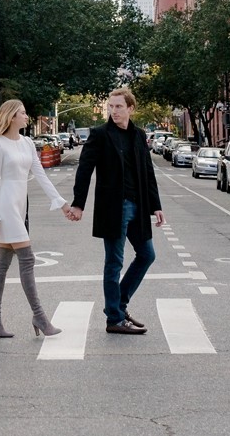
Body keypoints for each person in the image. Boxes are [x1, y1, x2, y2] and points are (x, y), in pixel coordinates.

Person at [67, 86, 164, 335]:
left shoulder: (139, 136)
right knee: (114, 263)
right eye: (110, 107)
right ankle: (114, 319)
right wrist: (78, 203)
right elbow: (85, 169)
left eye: (119, 106)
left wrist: (156, 206)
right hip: (114, 208)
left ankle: (118, 305)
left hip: (138, 206)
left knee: (147, 255)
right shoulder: (100, 135)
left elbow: (148, 173)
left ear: (131, 108)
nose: (114, 111)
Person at [0, 98, 70, 338]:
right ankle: (39, 316)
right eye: (23, 113)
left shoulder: (28, 142)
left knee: (1, 264)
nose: (26, 116)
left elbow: (40, 174)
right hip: (6, 204)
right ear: (11, 117)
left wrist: (60, 202)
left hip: (20, 204)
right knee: (27, 259)